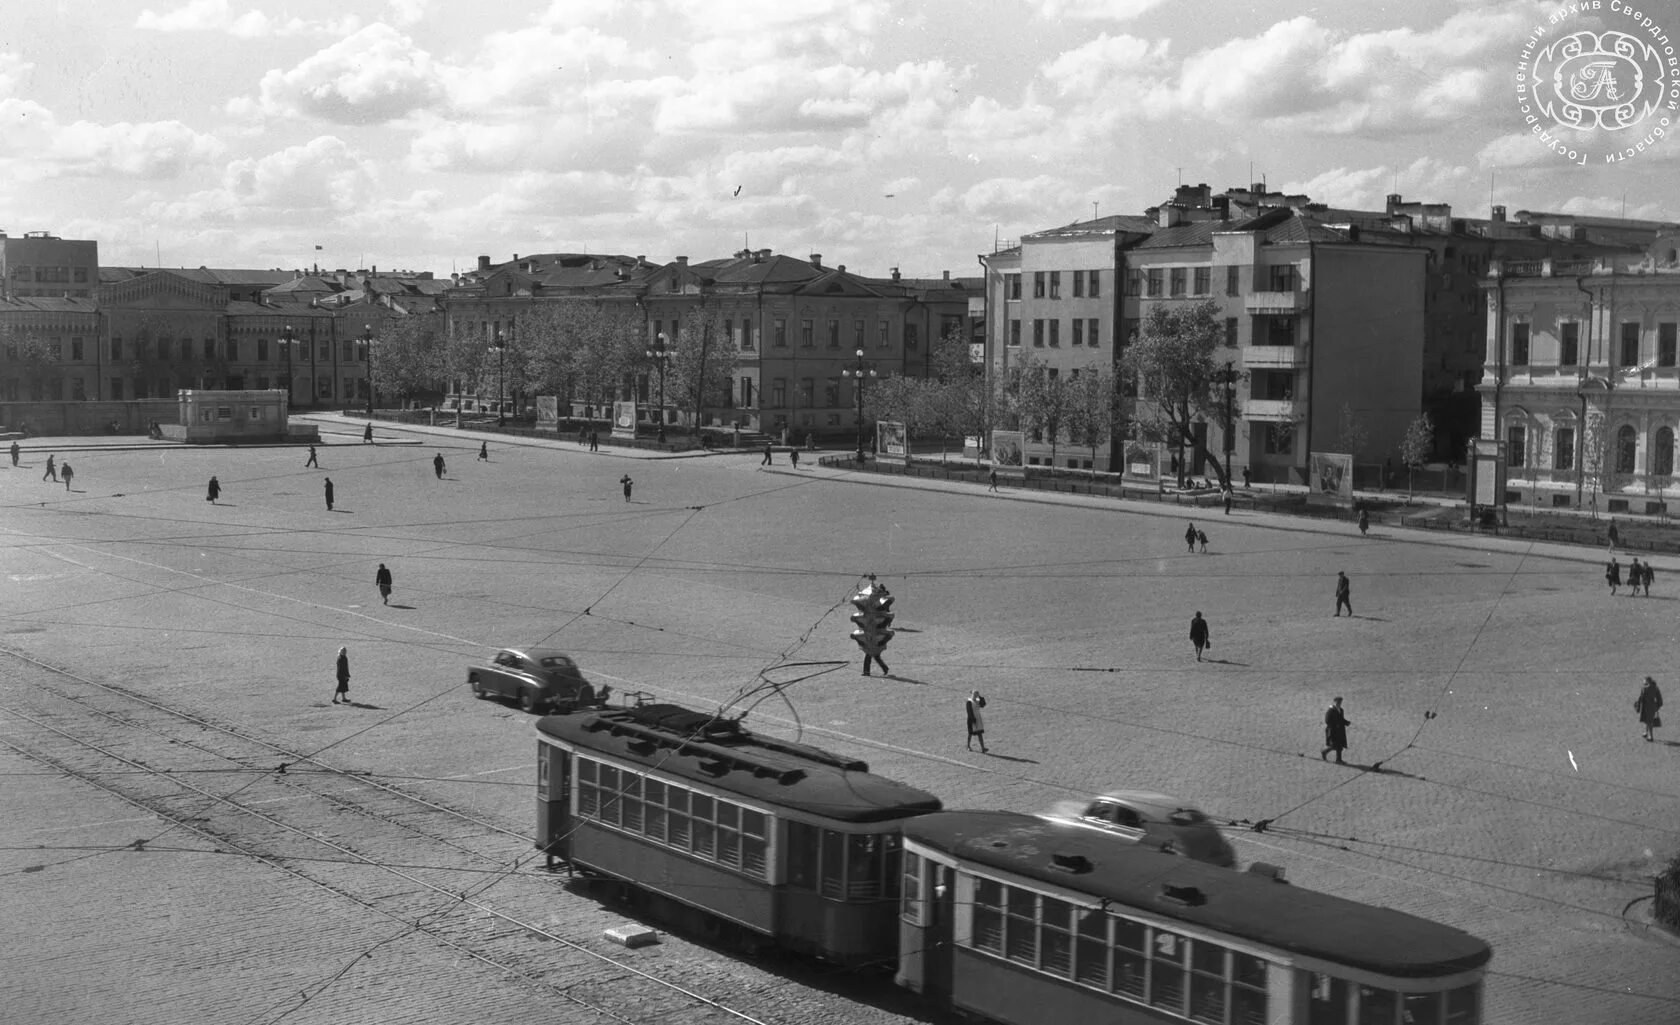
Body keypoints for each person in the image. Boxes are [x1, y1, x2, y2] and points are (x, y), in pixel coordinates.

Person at [1321, 696, 1350, 763]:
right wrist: (1335, 725)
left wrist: (1346, 722)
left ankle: (1338, 760)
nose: (1339, 703)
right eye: (1338, 702)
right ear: (1334, 702)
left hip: (1340, 730)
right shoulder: (1331, 710)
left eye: (1340, 702)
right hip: (1332, 730)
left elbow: (1341, 719)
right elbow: (1327, 720)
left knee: (1340, 745)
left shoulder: (1341, 710)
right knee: (1333, 745)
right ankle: (1324, 751)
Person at [1636, 676, 1663, 741]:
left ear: (1647, 681)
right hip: (1653, 706)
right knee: (1648, 720)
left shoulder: (1644, 689)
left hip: (1645, 707)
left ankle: (1651, 736)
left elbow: (1640, 699)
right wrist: (1657, 707)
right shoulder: (1656, 688)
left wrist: (1638, 707)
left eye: (1644, 681)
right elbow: (1660, 699)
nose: (1643, 682)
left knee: (1649, 721)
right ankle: (1646, 732)